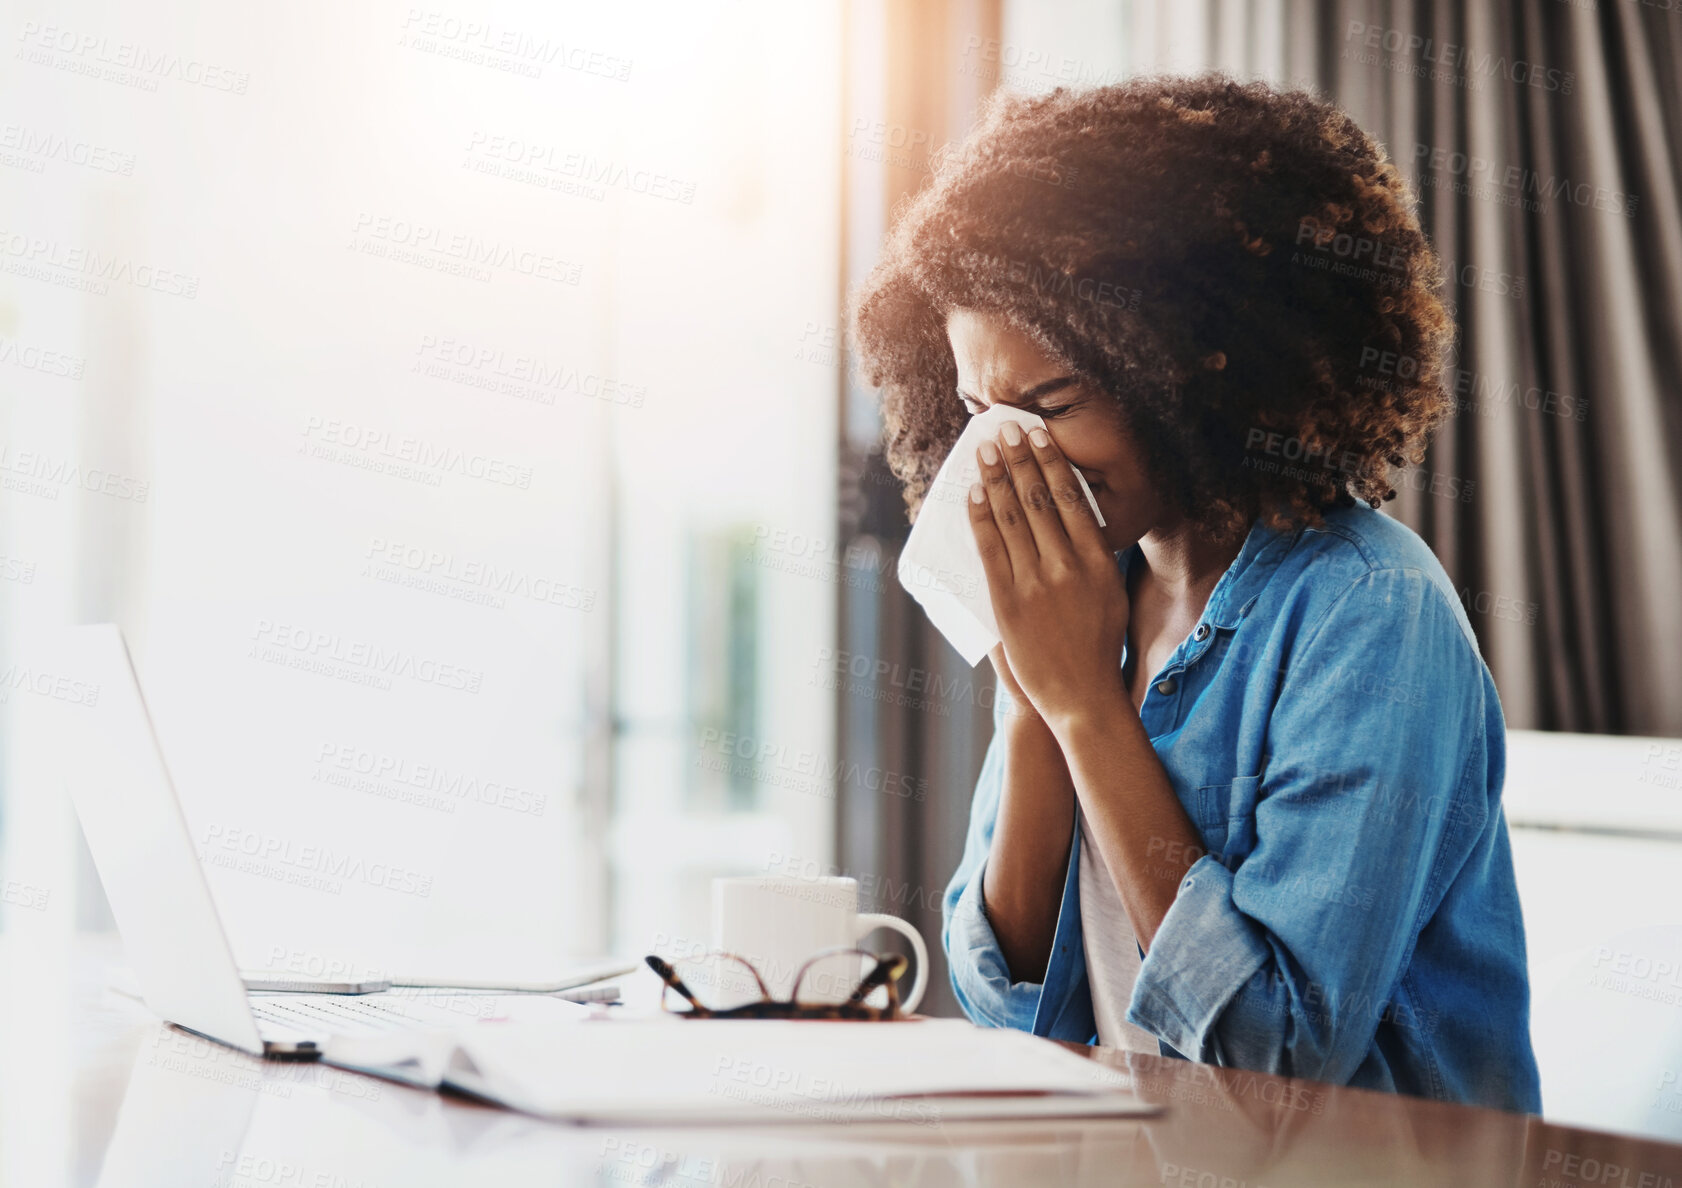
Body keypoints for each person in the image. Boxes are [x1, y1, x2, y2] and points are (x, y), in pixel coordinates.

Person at [848, 74, 1541, 1112]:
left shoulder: (1368, 612)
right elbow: (1012, 1009)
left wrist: (1085, 705)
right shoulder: (1091, 587)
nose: (1002, 454)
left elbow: (1272, 1065)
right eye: (973, 406)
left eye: (1050, 403)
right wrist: (1033, 706)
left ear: (1192, 371)